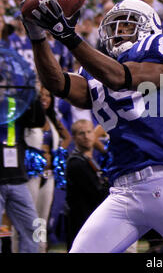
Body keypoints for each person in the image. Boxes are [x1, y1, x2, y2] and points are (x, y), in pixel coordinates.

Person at [22, 0, 163, 253]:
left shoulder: (159, 46)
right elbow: (57, 84)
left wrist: (67, 35)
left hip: (162, 180)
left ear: (148, 27)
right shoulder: (96, 69)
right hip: (122, 190)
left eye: (127, 26)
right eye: (114, 27)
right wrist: (38, 36)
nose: (118, 33)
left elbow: (121, 78)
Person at [24, 85, 71, 252]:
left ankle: (40, 248)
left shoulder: (52, 119)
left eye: (48, 95)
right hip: (32, 175)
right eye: (41, 95)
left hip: (49, 175)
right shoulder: (28, 117)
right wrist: (35, 154)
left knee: (42, 220)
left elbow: (67, 136)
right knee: (28, 218)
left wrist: (57, 153)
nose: (44, 98)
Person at [0, 98, 45, 253]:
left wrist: (33, 92)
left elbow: (39, 120)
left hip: (17, 178)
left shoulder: (14, 103)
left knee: (34, 230)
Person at [65, 119, 109, 251]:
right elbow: (97, 193)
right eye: (81, 133)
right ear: (74, 138)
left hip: (90, 223)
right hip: (82, 226)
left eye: (89, 132)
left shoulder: (87, 159)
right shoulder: (76, 163)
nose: (86, 136)